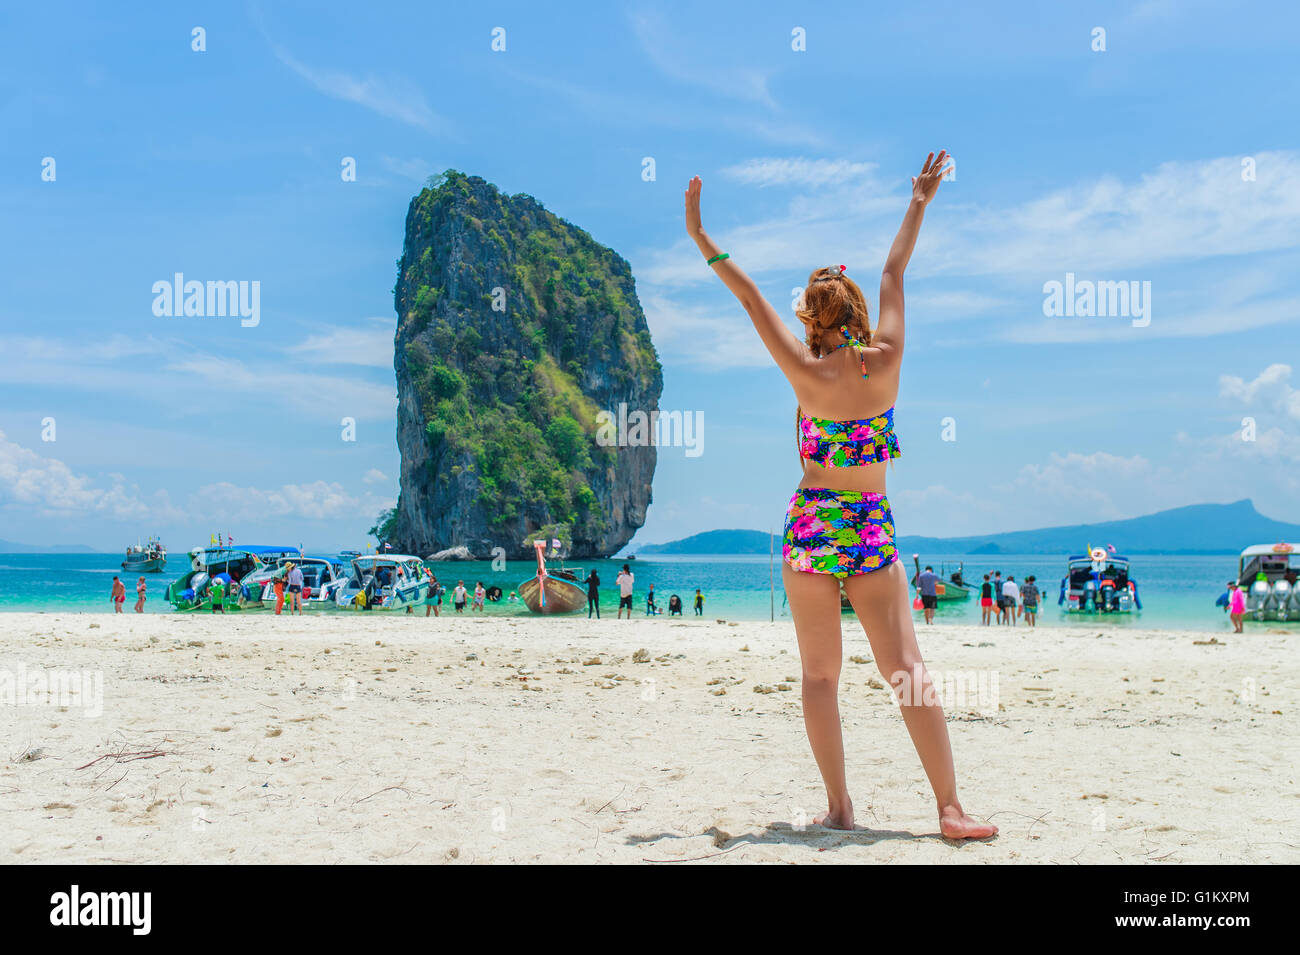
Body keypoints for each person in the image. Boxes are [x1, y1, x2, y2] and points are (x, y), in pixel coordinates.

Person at [684, 151, 994, 839]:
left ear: (814, 324)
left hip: (811, 529)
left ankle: (840, 808)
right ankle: (948, 807)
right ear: (856, 313)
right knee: (905, 669)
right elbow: (892, 270)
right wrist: (919, 199)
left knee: (821, 676)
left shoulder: (803, 372)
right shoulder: (887, 362)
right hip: (868, 530)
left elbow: (748, 295)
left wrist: (703, 238)